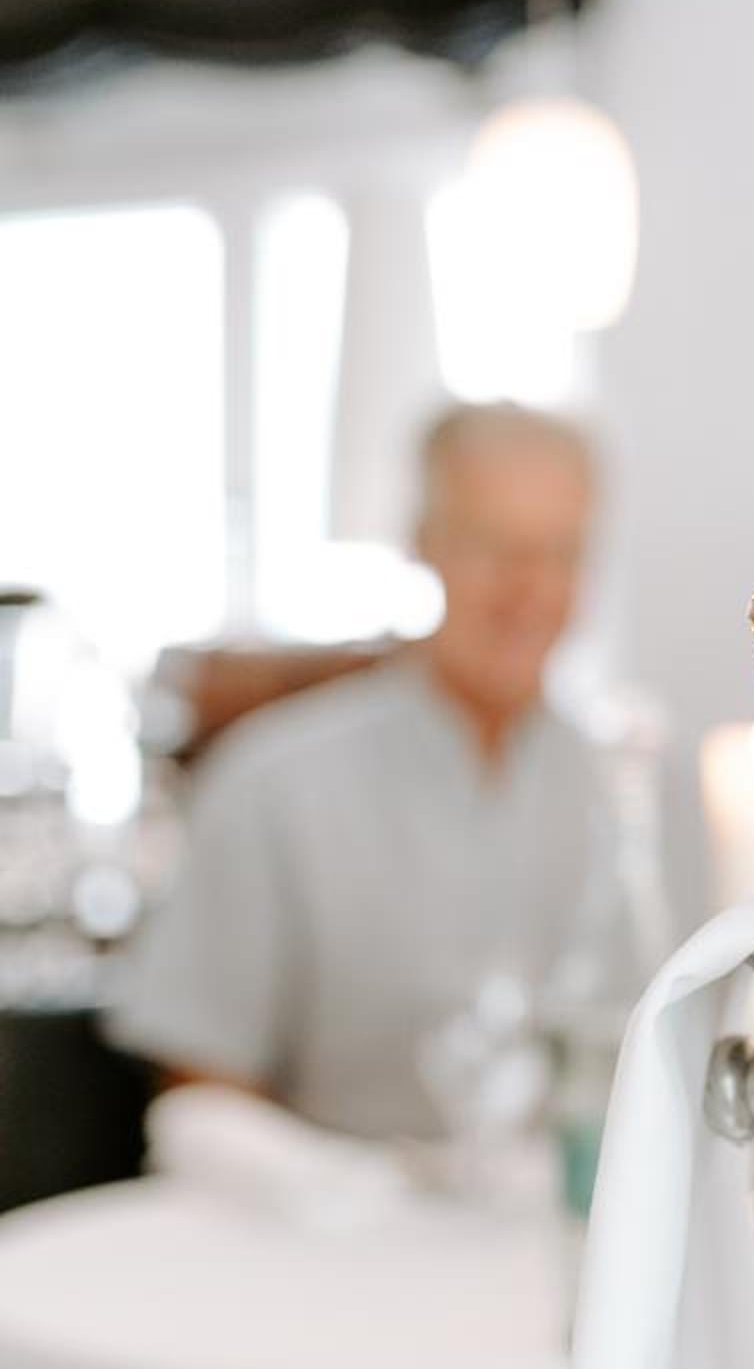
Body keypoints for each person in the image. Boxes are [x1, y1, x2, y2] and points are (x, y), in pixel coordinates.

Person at [114, 402, 650, 1142]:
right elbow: (202, 1092)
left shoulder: (623, 790)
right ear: (423, 544)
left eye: (559, 552)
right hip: (323, 1204)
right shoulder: (271, 785)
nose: (527, 589)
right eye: (491, 546)